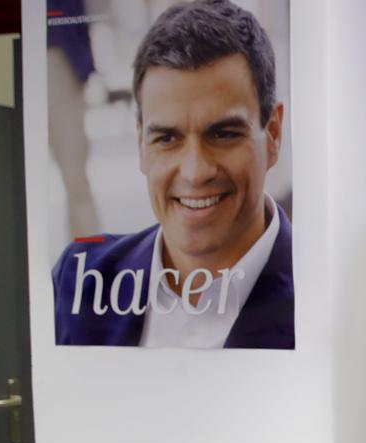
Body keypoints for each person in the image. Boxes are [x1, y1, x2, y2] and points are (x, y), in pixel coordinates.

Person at [52, 0, 293, 349]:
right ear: (141, 144)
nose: (195, 172)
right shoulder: (79, 284)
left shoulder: (325, 301)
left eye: (224, 134)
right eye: (167, 138)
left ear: (273, 134)